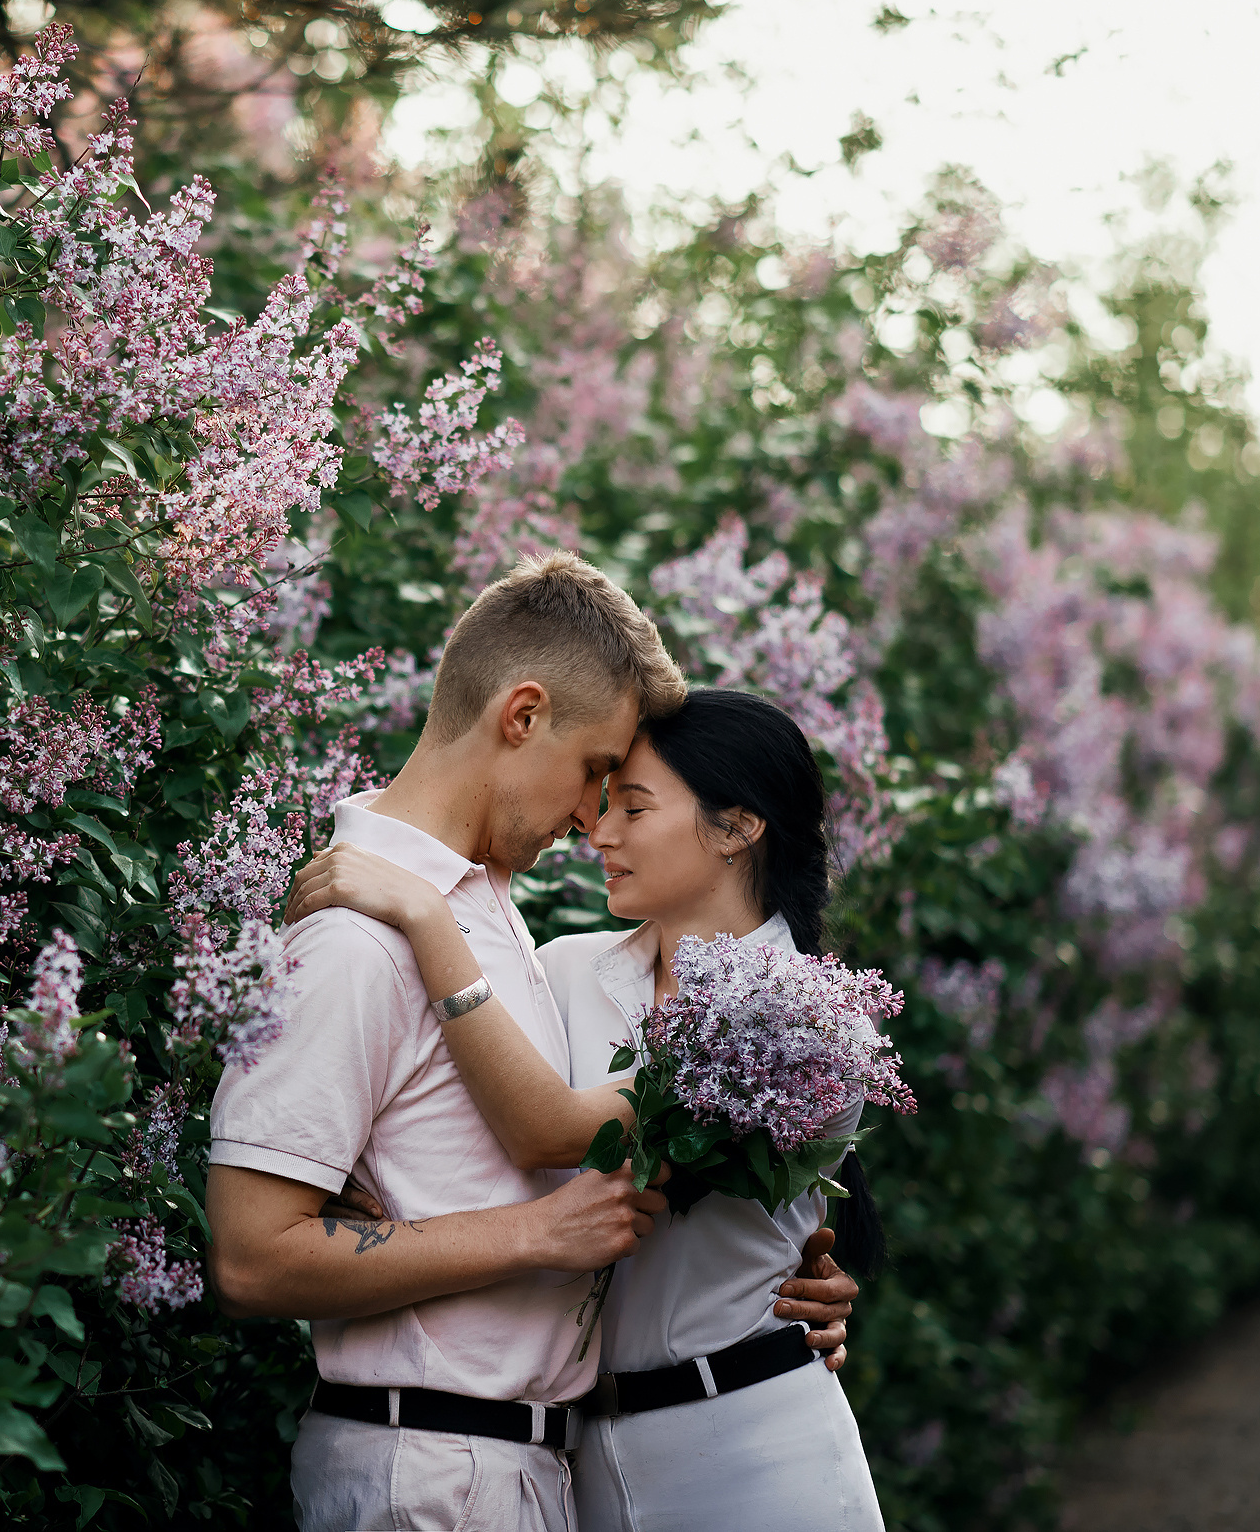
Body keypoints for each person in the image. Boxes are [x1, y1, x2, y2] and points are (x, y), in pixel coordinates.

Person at [205, 555, 860, 1532]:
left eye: (627, 798)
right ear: (521, 716)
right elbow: (254, 1259)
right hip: (438, 1470)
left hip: (552, 1465)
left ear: (739, 829)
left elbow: (556, 1145)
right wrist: (526, 1235)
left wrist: (784, 1283)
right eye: (598, 773)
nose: (593, 821)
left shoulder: (489, 922)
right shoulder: (358, 938)